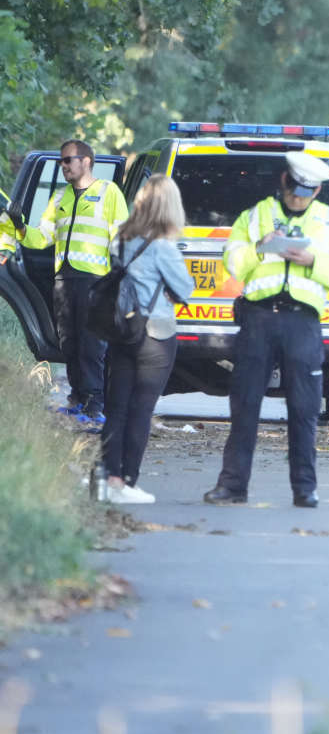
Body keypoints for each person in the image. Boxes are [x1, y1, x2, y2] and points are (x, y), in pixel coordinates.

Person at [204, 151, 329, 508]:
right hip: (258, 318)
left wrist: (313, 260)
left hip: (302, 323)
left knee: (304, 409)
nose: (298, 199)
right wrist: (260, 247)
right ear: (285, 181)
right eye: (294, 191)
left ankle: (305, 488)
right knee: (245, 406)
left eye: (306, 194)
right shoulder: (255, 216)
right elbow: (234, 266)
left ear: (316, 191)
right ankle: (232, 486)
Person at [16, 141, 129, 427]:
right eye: (61, 162)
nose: (63, 165)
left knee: (92, 346)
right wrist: (19, 227)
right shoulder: (59, 198)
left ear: (87, 161)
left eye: (68, 160)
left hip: (95, 280)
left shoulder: (108, 192)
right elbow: (41, 238)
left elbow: (122, 238)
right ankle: (77, 399)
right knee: (70, 343)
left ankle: (95, 405)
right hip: (64, 280)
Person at [99, 175, 194, 505]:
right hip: (155, 333)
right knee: (141, 409)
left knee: (116, 406)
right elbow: (185, 290)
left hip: (121, 329)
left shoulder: (121, 239)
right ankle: (128, 481)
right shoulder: (163, 247)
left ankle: (109, 478)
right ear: (171, 208)